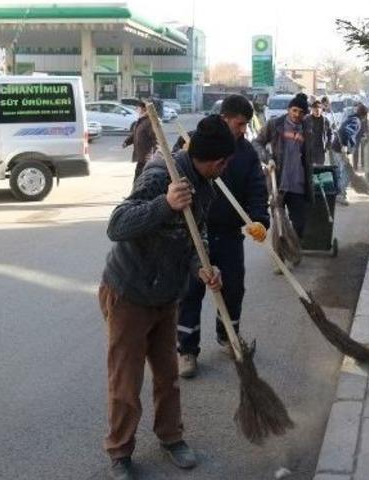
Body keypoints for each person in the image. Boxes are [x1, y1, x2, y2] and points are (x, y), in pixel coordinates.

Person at [99, 115, 236, 480]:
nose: (225, 168)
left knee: (168, 374)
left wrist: (203, 266)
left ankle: (171, 438)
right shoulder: (162, 175)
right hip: (129, 293)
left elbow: (196, 235)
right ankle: (120, 452)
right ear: (214, 159)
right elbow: (117, 225)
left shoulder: (205, 184)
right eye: (224, 162)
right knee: (125, 381)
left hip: (166, 294)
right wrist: (165, 203)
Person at [175, 95, 270, 378]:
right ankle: (187, 350)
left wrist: (259, 221)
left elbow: (256, 189)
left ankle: (228, 336)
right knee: (191, 291)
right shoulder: (194, 143)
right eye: (240, 124)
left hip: (228, 235)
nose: (244, 129)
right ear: (226, 117)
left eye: (246, 125)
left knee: (233, 288)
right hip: (194, 233)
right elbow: (170, 174)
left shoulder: (247, 153)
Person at [253, 92, 312, 239]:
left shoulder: (307, 129)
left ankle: (294, 248)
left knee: (299, 224)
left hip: (298, 184)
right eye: (294, 110)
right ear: (289, 109)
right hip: (277, 183)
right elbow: (256, 142)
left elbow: (308, 156)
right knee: (280, 224)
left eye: (301, 112)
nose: (297, 114)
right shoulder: (275, 124)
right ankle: (282, 254)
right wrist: (267, 158)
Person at [332, 103, 369, 205]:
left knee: (343, 171)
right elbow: (347, 131)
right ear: (364, 116)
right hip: (341, 148)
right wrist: (346, 146)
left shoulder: (351, 118)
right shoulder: (356, 121)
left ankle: (338, 193)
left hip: (336, 147)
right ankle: (341, 195)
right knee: (347, 173)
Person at [122, 100, 158, 182]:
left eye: (137, 108)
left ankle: (136, 193)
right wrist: (127, 142)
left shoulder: (149, 122)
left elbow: (156, 139)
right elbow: (135, 134)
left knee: (141, 179)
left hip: (146, 158)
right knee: (138, 178)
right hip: (140, 156)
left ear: (144, 109)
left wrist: (154, 154)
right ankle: (135, 192)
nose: (136, 110)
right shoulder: (140, 120)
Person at [304, 99, 332, 166]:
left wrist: (328, 145)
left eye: (319, 109)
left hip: (321, 149)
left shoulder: (326, 121)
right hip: (310, 149)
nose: (317, 111)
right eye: (315, 110)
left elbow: (330, 134)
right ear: (312, 110)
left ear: (321, 110)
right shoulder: (306, 120)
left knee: (320, 168)